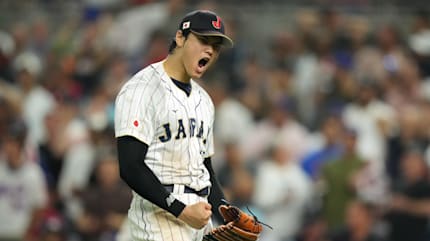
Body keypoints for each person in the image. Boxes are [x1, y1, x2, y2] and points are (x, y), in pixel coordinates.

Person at [114, 10, 233, 241]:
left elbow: (205, 168)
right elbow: (130, 166)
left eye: (215, 46)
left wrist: (227, 215)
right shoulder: (142, 89)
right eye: (203, 40)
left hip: (201, 214)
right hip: (160, 216)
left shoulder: (204, 100)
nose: (210, 50)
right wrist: (181, 210)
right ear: (180, 38)